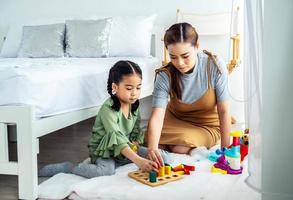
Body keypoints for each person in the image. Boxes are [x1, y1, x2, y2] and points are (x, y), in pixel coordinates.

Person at [39, 60, 170, 178]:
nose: (134, 93)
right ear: (115, 87)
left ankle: (123, 160)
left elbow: (135, 129)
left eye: (138, 87)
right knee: (105, 172)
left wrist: (136, 142)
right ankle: (70, 167)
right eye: (129, 88)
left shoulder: (134, 105)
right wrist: (138, 160)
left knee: (161, 156)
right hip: (106, 152)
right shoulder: (108, 109)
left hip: (126, 149)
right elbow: (117, 138)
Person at [147, 22, 232, 167]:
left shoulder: (214, 65)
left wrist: (226, 151)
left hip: (207, 125)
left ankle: (176, 146)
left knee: (180, 146)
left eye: (185, 56)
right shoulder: (165, 74)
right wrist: (152, 149)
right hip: (175, 120)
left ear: (197, 46)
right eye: (173, 57)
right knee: (151, 137)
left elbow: (224, 111)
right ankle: (177, 147)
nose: (179, 63)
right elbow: (157, 116)